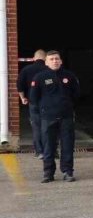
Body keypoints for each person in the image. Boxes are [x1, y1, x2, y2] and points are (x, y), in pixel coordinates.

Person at [28, 50, 80, 183]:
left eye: (57, 59)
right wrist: (44, 109)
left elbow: (76, 95)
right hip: (48, 117)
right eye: (51, 59)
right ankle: (48, 173)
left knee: (67, 146)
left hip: (66, 117)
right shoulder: (39, 77)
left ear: (61, 61)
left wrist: (68, 107)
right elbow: (33, 98)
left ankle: (68, 172)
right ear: (46, 62)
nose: (55, 61)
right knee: (48, 146)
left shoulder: (69, 76)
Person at [16, 49, 47, 158]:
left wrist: (23, 98)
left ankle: (39, 151)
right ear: (45, 58)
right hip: (48, 103)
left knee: (36, 126)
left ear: (34, 58)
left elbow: (19, 84)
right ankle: (51, 150)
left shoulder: (26, 69)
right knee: (50, 126)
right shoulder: (49, 69)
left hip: (33, 101)